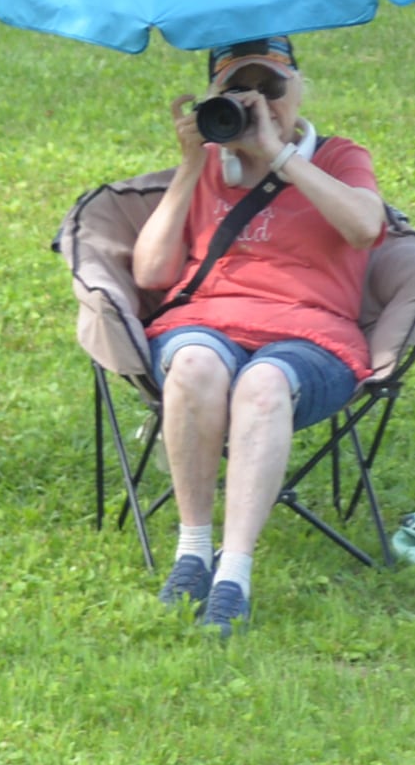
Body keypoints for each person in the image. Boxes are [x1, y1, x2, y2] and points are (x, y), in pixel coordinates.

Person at [133, 39, 388, 641]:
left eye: (272, 89)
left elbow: (364, 226)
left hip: (311, 335)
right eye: (238, 93)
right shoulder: (207, 166)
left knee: (265, 385)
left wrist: (278, 155)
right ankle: (192, 553)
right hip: (206, 325)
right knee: (194, 365)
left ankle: (234, 576)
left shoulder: (339, 157)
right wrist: (192, 166)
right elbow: (149, 274)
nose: (259, 104)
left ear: (300, 87)